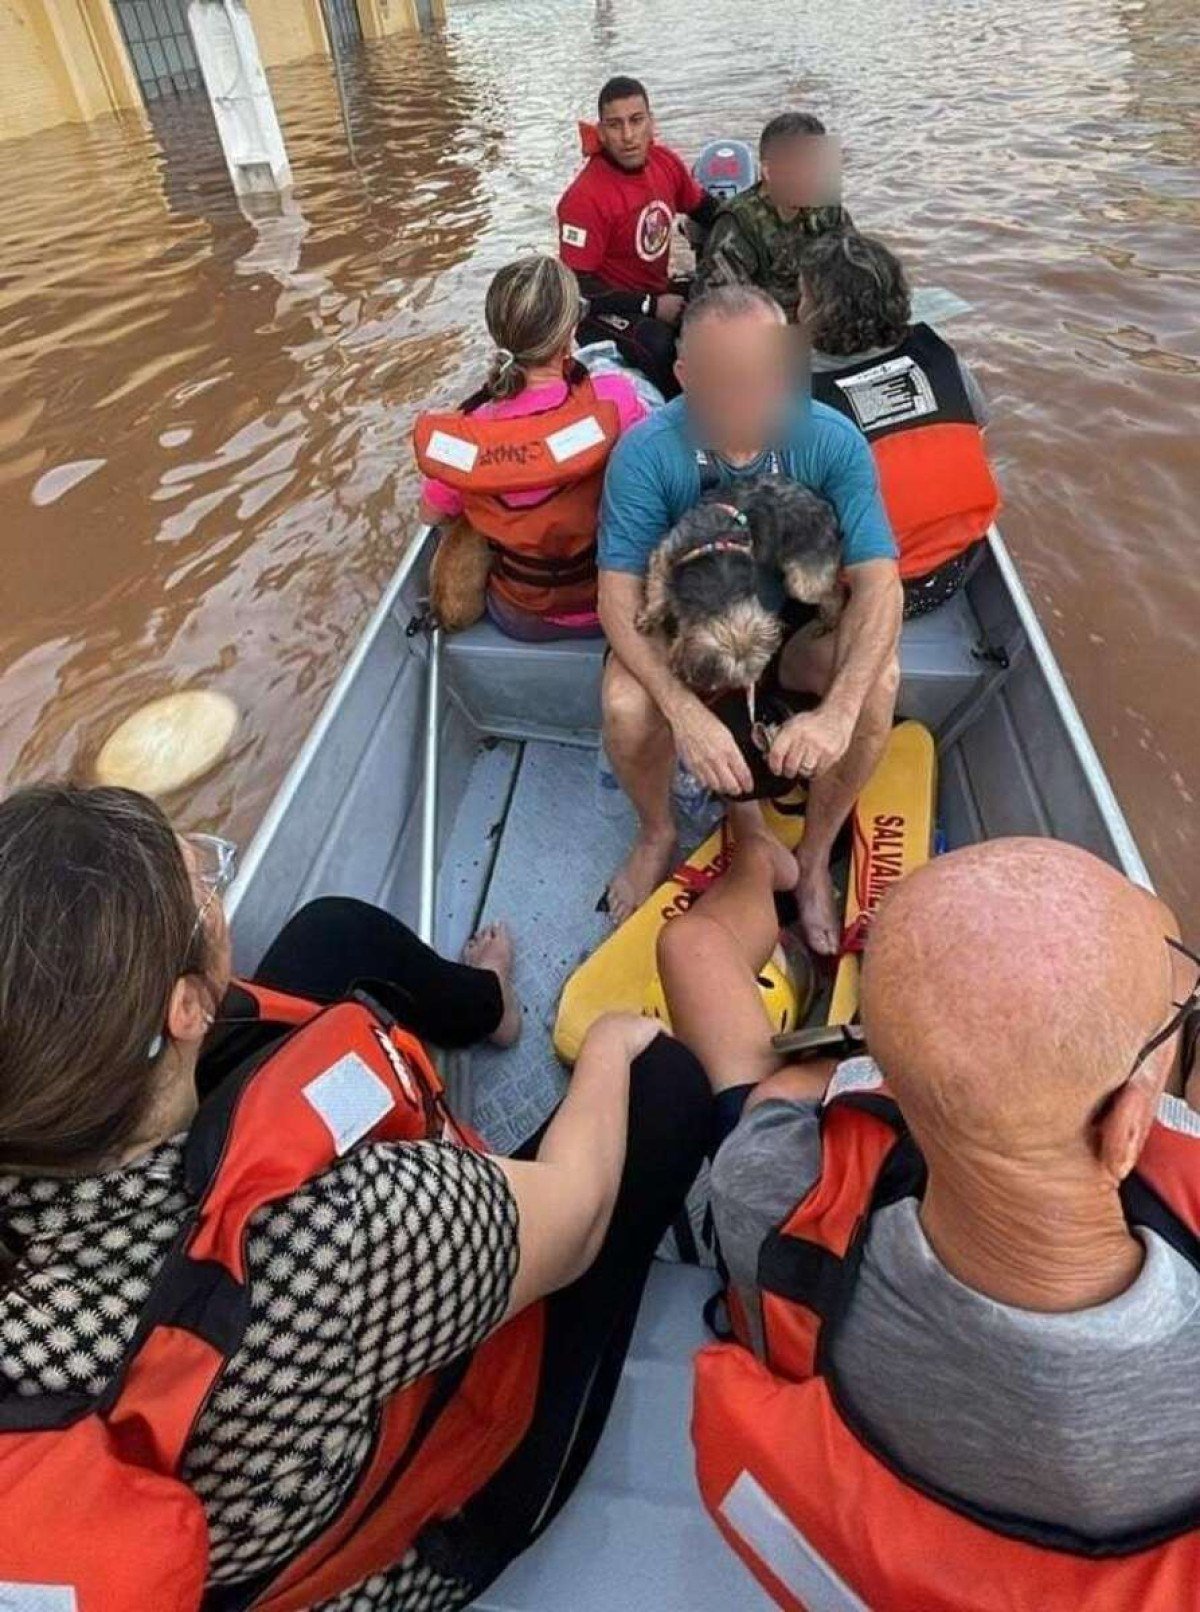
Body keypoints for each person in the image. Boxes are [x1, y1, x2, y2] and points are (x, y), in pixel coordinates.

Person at [0, 783, 713, 1610]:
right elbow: (577, 1213)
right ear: (185, 1007)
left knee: (330, 936)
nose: (212, 888)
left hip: (244, 1350)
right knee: (662, 1086)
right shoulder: (344, 1234)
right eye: (200, 888)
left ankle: (489, 1003)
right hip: (417, 1522)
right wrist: (610, 1046)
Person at [675, 836, 1200, 1608]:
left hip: (830, 1307)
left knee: (689, 948)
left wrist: (839, 1073)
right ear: (1128, 1127)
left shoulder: (776, 1193)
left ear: (885, 1082)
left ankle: (758, 862)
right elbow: (1167, 944)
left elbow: (771, 1112)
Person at [597, 284, 901, 950]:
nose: (754, 398)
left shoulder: (831, 440)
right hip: (688, 620)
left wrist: (839, 713)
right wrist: (684, 713)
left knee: (877, 681)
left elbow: (881, 583)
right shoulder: (647, 453)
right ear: (685, 376)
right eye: (730, 381)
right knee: (625, 704)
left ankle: (813, 860)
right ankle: (657, 832)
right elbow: (616, 600)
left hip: (794, 619)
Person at [414, 254, 647, 642]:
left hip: (520, 616)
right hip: (611, 604)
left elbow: (430, 513)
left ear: (497, 334)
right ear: (571, 330)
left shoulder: (468, 434)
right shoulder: (614, 399)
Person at [802, 229, 1001, 616]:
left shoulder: (796, 394)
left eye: (804, 296)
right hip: (956, 569)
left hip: (867, 592)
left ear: (817, 311)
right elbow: (979, 430)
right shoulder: (940, 357)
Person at [557, 76, 720, 399]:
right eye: (615, 125)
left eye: (636, 120)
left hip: (656, 290)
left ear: (651, 122)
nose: (628, 136)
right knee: (660, 345)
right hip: (605, 312)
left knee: (726, 307)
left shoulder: (666, 163)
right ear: (601, 132)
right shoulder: (583, 198)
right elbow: (575, 287)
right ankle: (681, 419)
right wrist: (650, 306)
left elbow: (708, 211)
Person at [693, 113, 851, 321]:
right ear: (768, 171)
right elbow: (721, 312)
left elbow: (854, 271)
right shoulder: (739, 225)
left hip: (818, 320)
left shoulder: (827, 208)